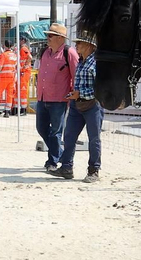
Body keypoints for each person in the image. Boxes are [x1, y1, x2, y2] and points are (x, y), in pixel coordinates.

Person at [55, 31, 104, 182]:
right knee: (69, 136)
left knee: (94, 138)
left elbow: (99, 89)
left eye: (80, 43)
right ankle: (66, 167)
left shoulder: (95, 63)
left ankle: (93, 170)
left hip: (92, 105)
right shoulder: (82, 61)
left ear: (90, 46)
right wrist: (75, 95)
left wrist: (79, 93)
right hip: (78, 105)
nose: (77, 45)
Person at [35, 25, 79, 171]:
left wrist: (74, 94)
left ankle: (52, 161)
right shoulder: (45, 52)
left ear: (60, 38)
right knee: (41, 128)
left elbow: (76, 75)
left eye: (50, 36)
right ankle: (59, 154)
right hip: (42, 97)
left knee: (55, 132)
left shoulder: (69, 53)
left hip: (59, 100)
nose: (47, 38)